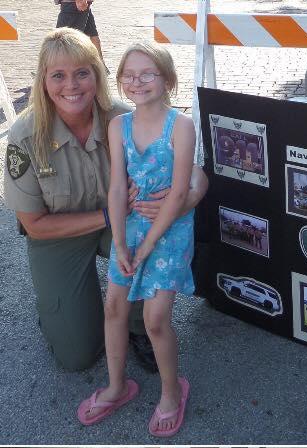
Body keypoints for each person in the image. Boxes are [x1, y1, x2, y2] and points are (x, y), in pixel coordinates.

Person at [3, 28, 208, 373]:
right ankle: (60, 313)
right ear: (42, 80)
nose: (71, 85)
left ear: (96, 75)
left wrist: (193, 194)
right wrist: (110, 216)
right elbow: (34, 224)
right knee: (78, 356)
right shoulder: (25, 136)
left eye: (82, 73)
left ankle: (137, 326)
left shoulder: (119, 115)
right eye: (58, 75)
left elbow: (184, 165)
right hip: (59, 235)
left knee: (154, 243)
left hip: (122, 222)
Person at [77, 41, 196, 437]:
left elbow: (179, 193)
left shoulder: (181, 126)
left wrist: (146, 246)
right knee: (114, 305)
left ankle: (171, 392)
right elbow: (116, 186)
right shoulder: (118, 126)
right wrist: (121, 241)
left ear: (167, 79)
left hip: (169, 231)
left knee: (155, 318)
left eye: (147, 73)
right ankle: (116, 385)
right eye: (128, 74)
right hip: (129, 228)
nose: (137, 81)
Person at [55, 0, 107, 70]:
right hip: (78, 4)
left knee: (61, 38)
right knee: (92, 35)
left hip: (73, 4)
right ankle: (100, 67)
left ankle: (61, 69)